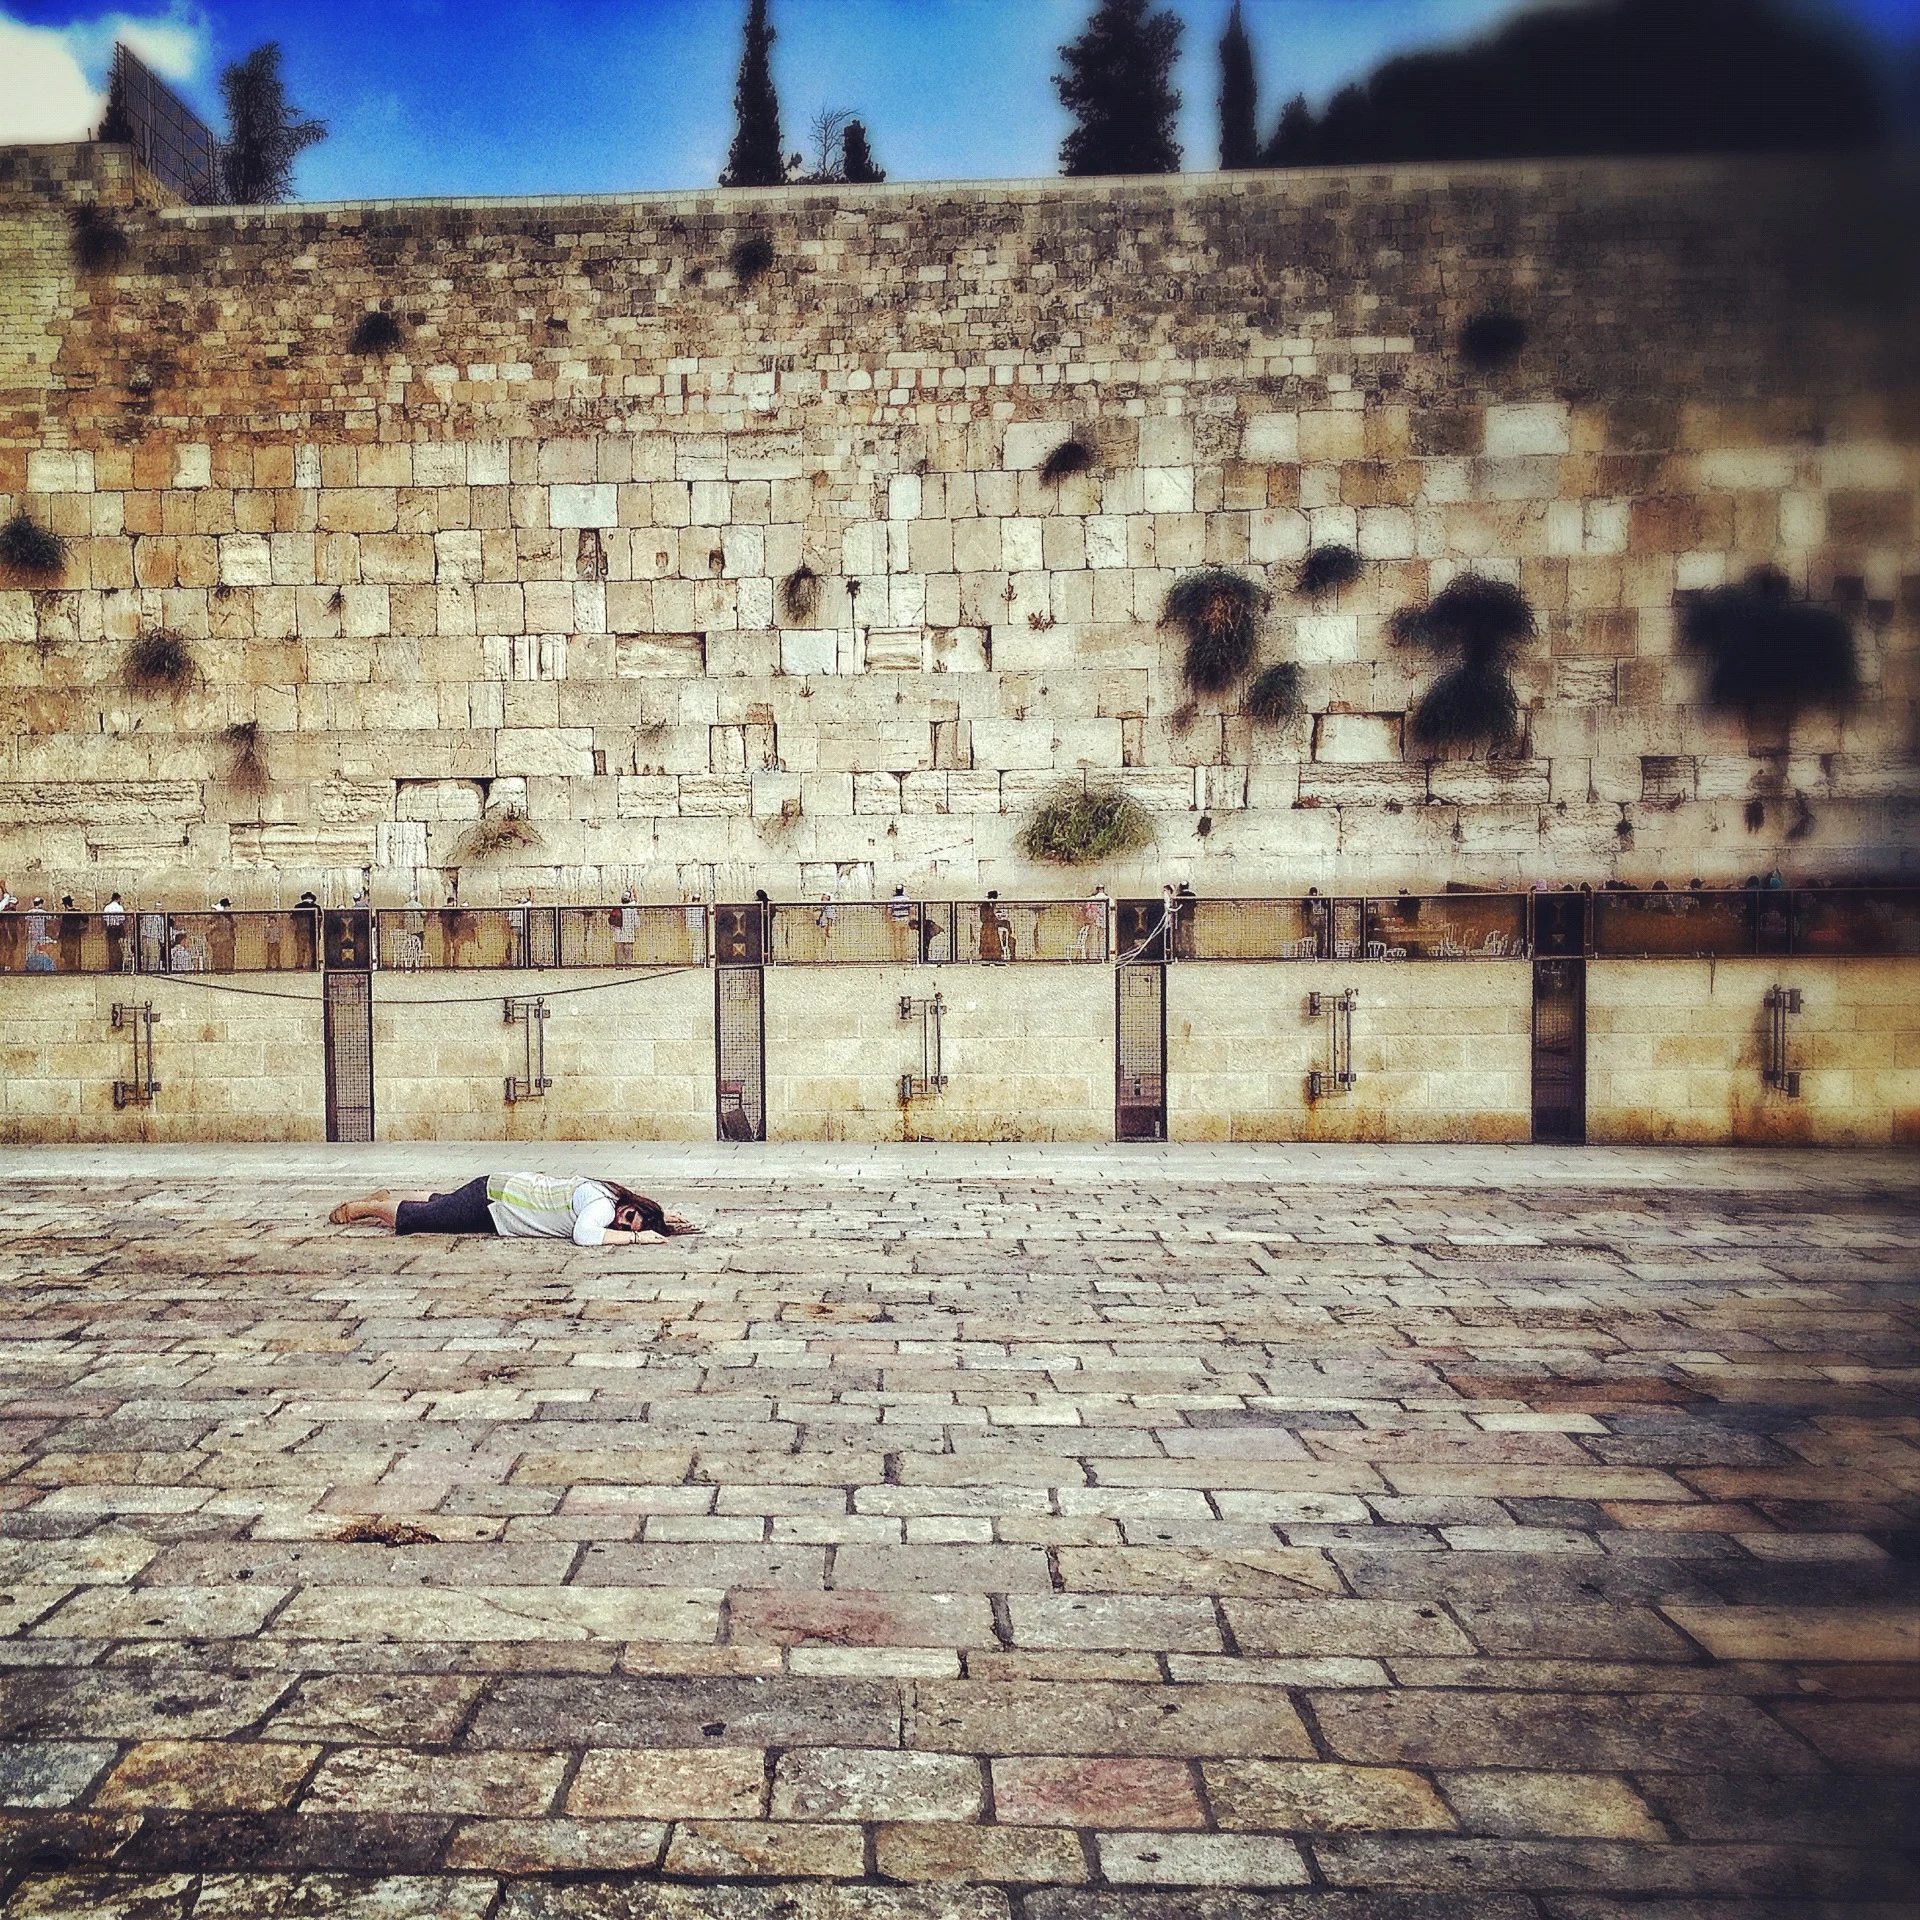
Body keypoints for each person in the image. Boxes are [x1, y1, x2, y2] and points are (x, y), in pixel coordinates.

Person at [330, 1171, 697, 1245]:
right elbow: (584, 1236)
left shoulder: (608, 1194)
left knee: (441, 1205)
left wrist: (662, 1218)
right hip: (497, 1202)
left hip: (500, 1195)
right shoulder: (602, 1206)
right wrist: (636, 1241)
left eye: (626, 1227)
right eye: (628, 1217)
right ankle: (363, 1209)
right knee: (423, 1219)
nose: (620, 1223)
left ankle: (384, 1199)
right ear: (628, 1204)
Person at [24, 899, 54, 973]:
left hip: (32, 933)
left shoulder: (30, 912)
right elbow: (50, 921)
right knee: (42, 950)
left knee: (30, 951)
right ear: (40, 903)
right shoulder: (43, 912)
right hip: (40, 934)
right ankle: (43, 967)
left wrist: (25, 933)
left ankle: (30, 967)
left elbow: (27, 923)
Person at [208, 898, 237, 973]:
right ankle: (219, 969)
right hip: (219, 939)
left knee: (228, 955)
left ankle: (228, 968)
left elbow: (234, 924)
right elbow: (210, 925)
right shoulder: (216, 915)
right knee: (218, 955)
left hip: (228, 939)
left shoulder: (229, 916)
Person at [58, 896, 86, 973]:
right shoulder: (77, 911)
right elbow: (86, 919)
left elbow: (63, 926)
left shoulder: (66, 914)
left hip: (67, 935)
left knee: (67, 951)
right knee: (74, 951)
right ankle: (74, 967)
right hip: (75, 934)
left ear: (66, 905)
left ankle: (68, 967)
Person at [612, 889, 639, 967]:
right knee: (628, 949)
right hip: (629, 932)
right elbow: (636, 923)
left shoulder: (618, 907)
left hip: (618, 931)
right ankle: (628, 965)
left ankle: (619, 965)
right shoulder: (632, 909)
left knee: (619, 949)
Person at [102, 892, 126, 974]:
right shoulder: (120, 908)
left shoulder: (107, 908)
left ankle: (112, 966)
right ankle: (118, 966)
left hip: (110, 928)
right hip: (118, 928)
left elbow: (104, 918)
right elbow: (122, 919)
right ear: (118, 899)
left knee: (111, 947)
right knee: (119, 948)